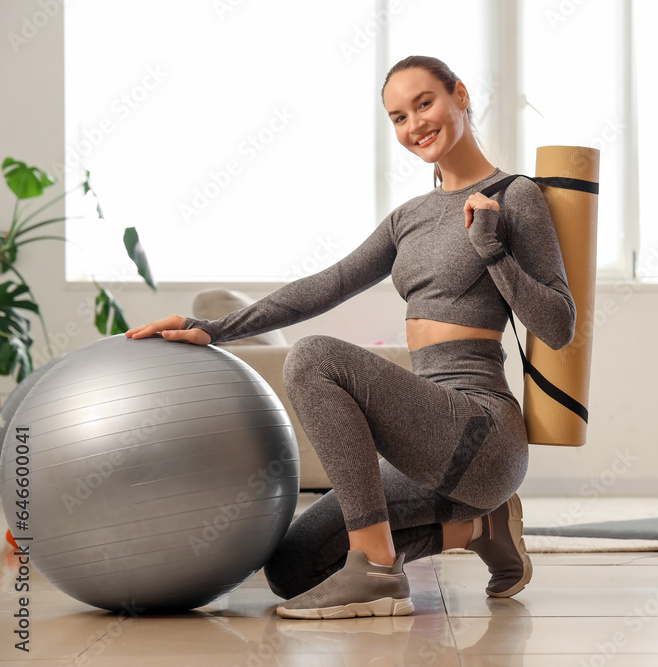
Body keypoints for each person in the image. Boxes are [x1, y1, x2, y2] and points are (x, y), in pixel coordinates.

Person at [125, 55, 576, 619]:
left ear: (460, 95)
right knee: (293, 568)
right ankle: (478, 529)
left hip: (482, 435)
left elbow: (559, 326)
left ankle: (378, 573)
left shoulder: (515, 196)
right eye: (397, 116)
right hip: (424, 444)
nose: (414, 125)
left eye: (424, 103)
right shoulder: (407, 217)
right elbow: (328, 284)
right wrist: (213, 329)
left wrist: (494, 250)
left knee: (313, 358)